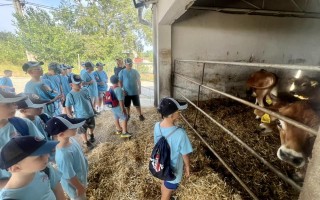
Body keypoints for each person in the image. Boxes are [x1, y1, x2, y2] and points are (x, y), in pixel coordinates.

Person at [0, 90, 65, 199]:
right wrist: (23, 184)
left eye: (14, 102)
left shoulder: (22, 124)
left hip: (40, 178)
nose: (14, 106)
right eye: (8, 104)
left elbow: (42, 148)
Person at [155, 97, 193, 200]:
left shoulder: (157, 126)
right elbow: (185, 154)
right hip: (172, 170)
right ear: (172, 115)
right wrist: (187, 167)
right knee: (167, 193)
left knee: (165, 183)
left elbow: (156, 144)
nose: (179, 113)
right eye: (178, 111)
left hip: (161, 164)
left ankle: (165, 192)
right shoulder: (180, 133)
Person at [45, 115, 89, 200]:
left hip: (80, 178)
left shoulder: (71, 140)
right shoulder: (63, 154)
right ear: (61, 134)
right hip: (75, 187)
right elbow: (69, 176)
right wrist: (79, 188)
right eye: (72, 128)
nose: (76, 128)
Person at [65, 74, 95, 150]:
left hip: (90, 113)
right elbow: (67, 106)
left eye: (80, 82)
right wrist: (69, 115)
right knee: (83, 130)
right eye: (77, 83)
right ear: (71, 84)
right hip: (80, 116)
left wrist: (93, 109)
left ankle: (91, 134)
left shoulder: (85, 90)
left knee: (92, 126)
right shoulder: (70, 95)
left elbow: (89, 99)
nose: (79, 84)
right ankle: (86, 142)